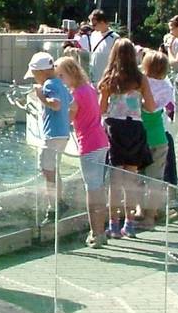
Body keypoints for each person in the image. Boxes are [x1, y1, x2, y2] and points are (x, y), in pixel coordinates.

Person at [97, 38, 154, 238]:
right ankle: (129, 223)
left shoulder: (109, 78)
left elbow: (101, 108)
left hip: (115, 128)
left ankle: (113, 224)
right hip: (135, 127)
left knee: (114, 179)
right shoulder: (140, 79)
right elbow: (152, 106)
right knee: (131, 179)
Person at [56, 55, 110, 248]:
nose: (59, 80)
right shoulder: (89, 89)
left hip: (89, 144)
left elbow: (66, 119)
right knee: (99, 187)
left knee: (92, 189)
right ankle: (100, 230)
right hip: (101, 140)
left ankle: (97, 232)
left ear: (71, 73)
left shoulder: (76, 95)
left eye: (61, 76)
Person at [22, 51, 72, 222]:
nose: (35, 79)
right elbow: (70, 103)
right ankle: (58, 202)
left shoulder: (49, 85)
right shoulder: (60, 83)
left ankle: (54, 206)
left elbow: (56, 105)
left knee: (46, 168)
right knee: (53, 169)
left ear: (41, 72)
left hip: (53, 134)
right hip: (62, 133)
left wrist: (41, 96)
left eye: (35, 75)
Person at [140, 49, 175, 226]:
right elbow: (168, 108)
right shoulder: (167, 86)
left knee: (137, 177)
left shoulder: (140, 83)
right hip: (159, 136)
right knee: (155, 179)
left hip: (139, 137)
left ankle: (139, 210)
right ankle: (150, 215)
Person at [83, 10, 117, 81]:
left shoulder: (115, 38)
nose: (92, 27)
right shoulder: (94, 35)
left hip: (106, 77)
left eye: (94, 25)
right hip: (93, 75)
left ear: (102, 22)